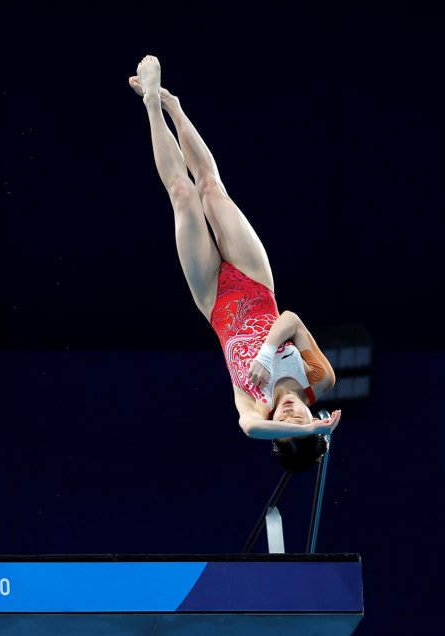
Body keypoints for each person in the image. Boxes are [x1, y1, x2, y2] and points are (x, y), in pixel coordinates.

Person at [130, 55, 341, 470]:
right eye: (298, 421)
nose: (289, 417)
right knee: (210, 187)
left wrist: (301, 433)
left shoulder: (254, 407)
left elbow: (250, 429)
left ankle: (153, 103)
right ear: (315, 417)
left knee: (184, 198)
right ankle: (176, 106)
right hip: (256, 282)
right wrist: (265, 354)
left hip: (213, 299)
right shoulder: (319, 381)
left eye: (286, 427)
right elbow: (292, 320)